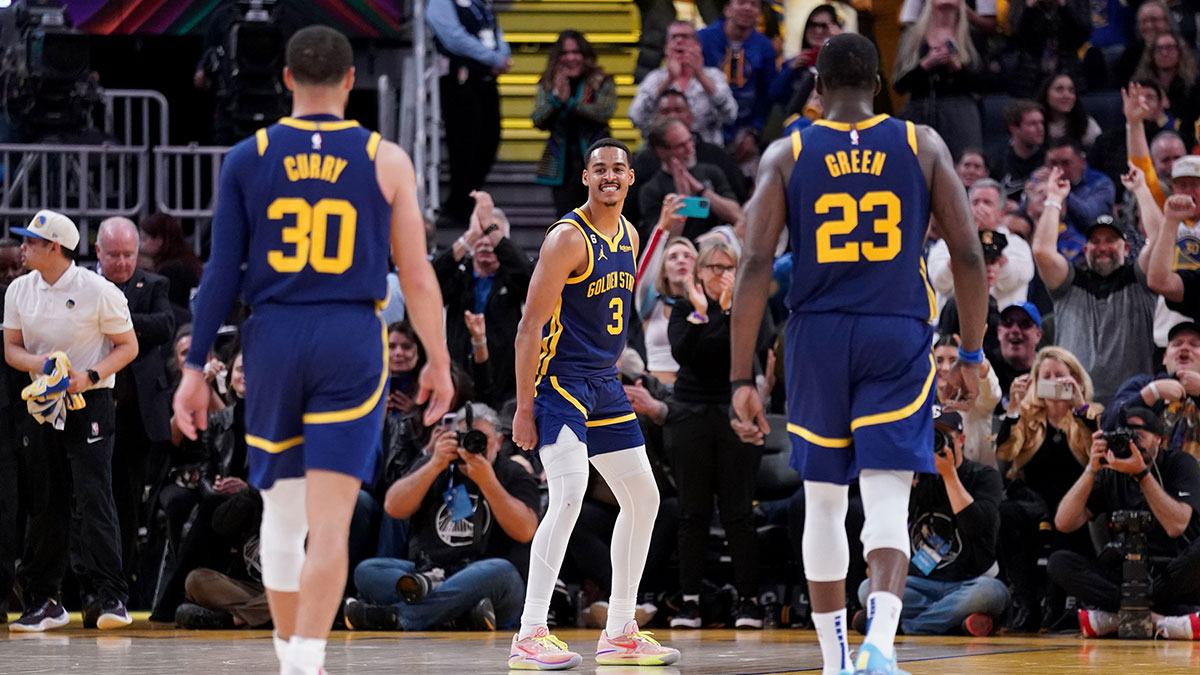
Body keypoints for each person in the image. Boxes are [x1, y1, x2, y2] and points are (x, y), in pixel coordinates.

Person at [171, 26, 453, 675]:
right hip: (351, 336)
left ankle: (288, 656)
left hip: (272, 335)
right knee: (330, 522)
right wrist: (438, 356)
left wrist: (193, 370)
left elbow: (220, 273)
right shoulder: (386, 158)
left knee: (282, 511)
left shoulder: (248, 154)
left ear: (288, 79)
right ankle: (308, 659)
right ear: (352, 81)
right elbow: (415, 273)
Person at [729, 33, 988, 675]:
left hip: (815, 335)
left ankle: (835, 656)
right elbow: (970, 254)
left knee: (821, 499)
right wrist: (974, 352)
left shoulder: (786, 151)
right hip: (895, 329)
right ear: (879, 84)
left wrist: (743, 376)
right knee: (886, 499)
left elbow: (756, 261)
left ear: (817, 88)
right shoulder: (920, 143)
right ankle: (879, 643)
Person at [509, 138, 680, 668]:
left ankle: (620, 630)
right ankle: (530, 631)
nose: (609, 176)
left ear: (630, 179)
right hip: (559, 383)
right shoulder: (566, 237)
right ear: (585, 177)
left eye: (618, 169)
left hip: (604, 383)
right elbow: (529, 326)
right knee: (569, 495)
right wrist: (522, 407)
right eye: (599, 169)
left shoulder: (628, 233)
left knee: (644, 499)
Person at [4, 210, 139, 631]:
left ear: (55, 247)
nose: (22, 248)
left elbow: (128, 345)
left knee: (94, 497)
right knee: (45, 500)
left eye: (31, 241)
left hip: (90, 402)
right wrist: (44, 365)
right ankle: (45, 599)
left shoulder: (97, 290)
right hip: (41, 404)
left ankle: (110, 596)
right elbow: (11, 348)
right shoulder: (18, 290)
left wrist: (90, 375)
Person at [346, 403, 538, 632]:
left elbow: (525, 530)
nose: (471, 445)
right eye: (462, 437)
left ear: (498, 442)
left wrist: (487, 482)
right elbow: (393, 507)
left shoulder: (512, 473)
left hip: (484, 578)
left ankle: (402, 616)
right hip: (429, 572)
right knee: (369, 571)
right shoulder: (437, 464)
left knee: (501, 571)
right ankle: (459, 616)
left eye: (480, 438)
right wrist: (434, 464)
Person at [666, 239, 769, 629]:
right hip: (690, 414)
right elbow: (685, 353)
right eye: (713, 267)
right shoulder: (683, 307)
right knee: (692, 511)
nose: (721, 274)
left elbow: (744, 350)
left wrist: (724, 312)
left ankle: (749, 601)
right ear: (699, 273)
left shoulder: (748, 307)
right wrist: (705, 313)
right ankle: (690, 601)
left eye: (728, 268)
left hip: (734, 414)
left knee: (738, 512)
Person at [1049, 405, 1200, 639]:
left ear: (1160, 439)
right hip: (1125, 576)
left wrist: (1142, 475)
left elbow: (1176, 526)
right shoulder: (1111, 471)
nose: (1131, 442)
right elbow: (1064, 522)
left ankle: (1118, 618)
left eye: (1138, 435)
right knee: (1059, 562)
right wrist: (1091, 468)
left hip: (1173, 573)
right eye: (1123, 435)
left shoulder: (1180, 463)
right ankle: (1158, 621)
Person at [855, 408, 1009, 636]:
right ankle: (955, 623)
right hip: (920, 584)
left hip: (970, 582)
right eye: (930, 437)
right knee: (867, 590)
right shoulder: (914, 476)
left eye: (944, 436)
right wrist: (906, 477)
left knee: (992, 593)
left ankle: (906, 626)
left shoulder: (983, 476)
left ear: (961, 440)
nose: (937, 444)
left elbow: (976, 526)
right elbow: (886, 522)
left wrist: (949, 476)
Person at [95, 217, 176, 588]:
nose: (124, 263)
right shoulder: (85, 286)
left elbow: (165, 325)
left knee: (129, 504)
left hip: (137, 414)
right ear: (98, 252)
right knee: (91, 500)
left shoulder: (154, 283)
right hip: (93, 405)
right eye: (115, 255)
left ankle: (121, 585)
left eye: (130, 254)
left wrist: (113, 324)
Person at [1033, 168, 1156, 404]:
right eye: (1095, 242)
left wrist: (1142, 191)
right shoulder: (1069, 283)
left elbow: (1159, 239)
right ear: (1086, 250)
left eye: (1110, 241)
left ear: (1126, 249)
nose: (1102, 247)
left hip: (1131, 403)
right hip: (1072, 402)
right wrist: (1054, 199)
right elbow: (1041, 251)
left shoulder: (1141, 279)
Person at [426, 0, 512, 226]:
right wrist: (493, 58)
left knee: (490, 139)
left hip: (486, 79)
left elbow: (496, 32)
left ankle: (466, 199)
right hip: (460, 80)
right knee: (465, 143)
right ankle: (459, 206)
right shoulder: (441, 3)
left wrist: (502, 55)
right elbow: (454, 38)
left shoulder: (480, 3)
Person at [532, 31, 617, 218]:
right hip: (563, 166)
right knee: (567, 222)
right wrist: (556, 99)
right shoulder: (547, 83)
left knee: (600, 220)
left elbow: (604, 112)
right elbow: (537, 118)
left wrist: (571, 103)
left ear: (585, 55)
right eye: (565, 53)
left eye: (576, 52)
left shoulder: (601, 81)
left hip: (598, 162)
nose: (571, 58)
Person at [891, 0, 985, 161]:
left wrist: (957, 67)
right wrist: (926, 64)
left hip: (960, 113)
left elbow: (983, 84)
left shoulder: (973, 35)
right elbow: (899, 85)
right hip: (919, 110)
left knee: (962, 165)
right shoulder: (911, 36)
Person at [628, 21, 738, 146]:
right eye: (674, 37)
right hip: (664, 151)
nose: (679, 41)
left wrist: (701, 76)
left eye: (686, 37)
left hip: (706, 151)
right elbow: (636, 116)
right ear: (666, 48)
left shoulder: (713, 76)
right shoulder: (655, 78)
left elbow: (730, 114)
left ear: (698, 46)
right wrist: (668, 80)